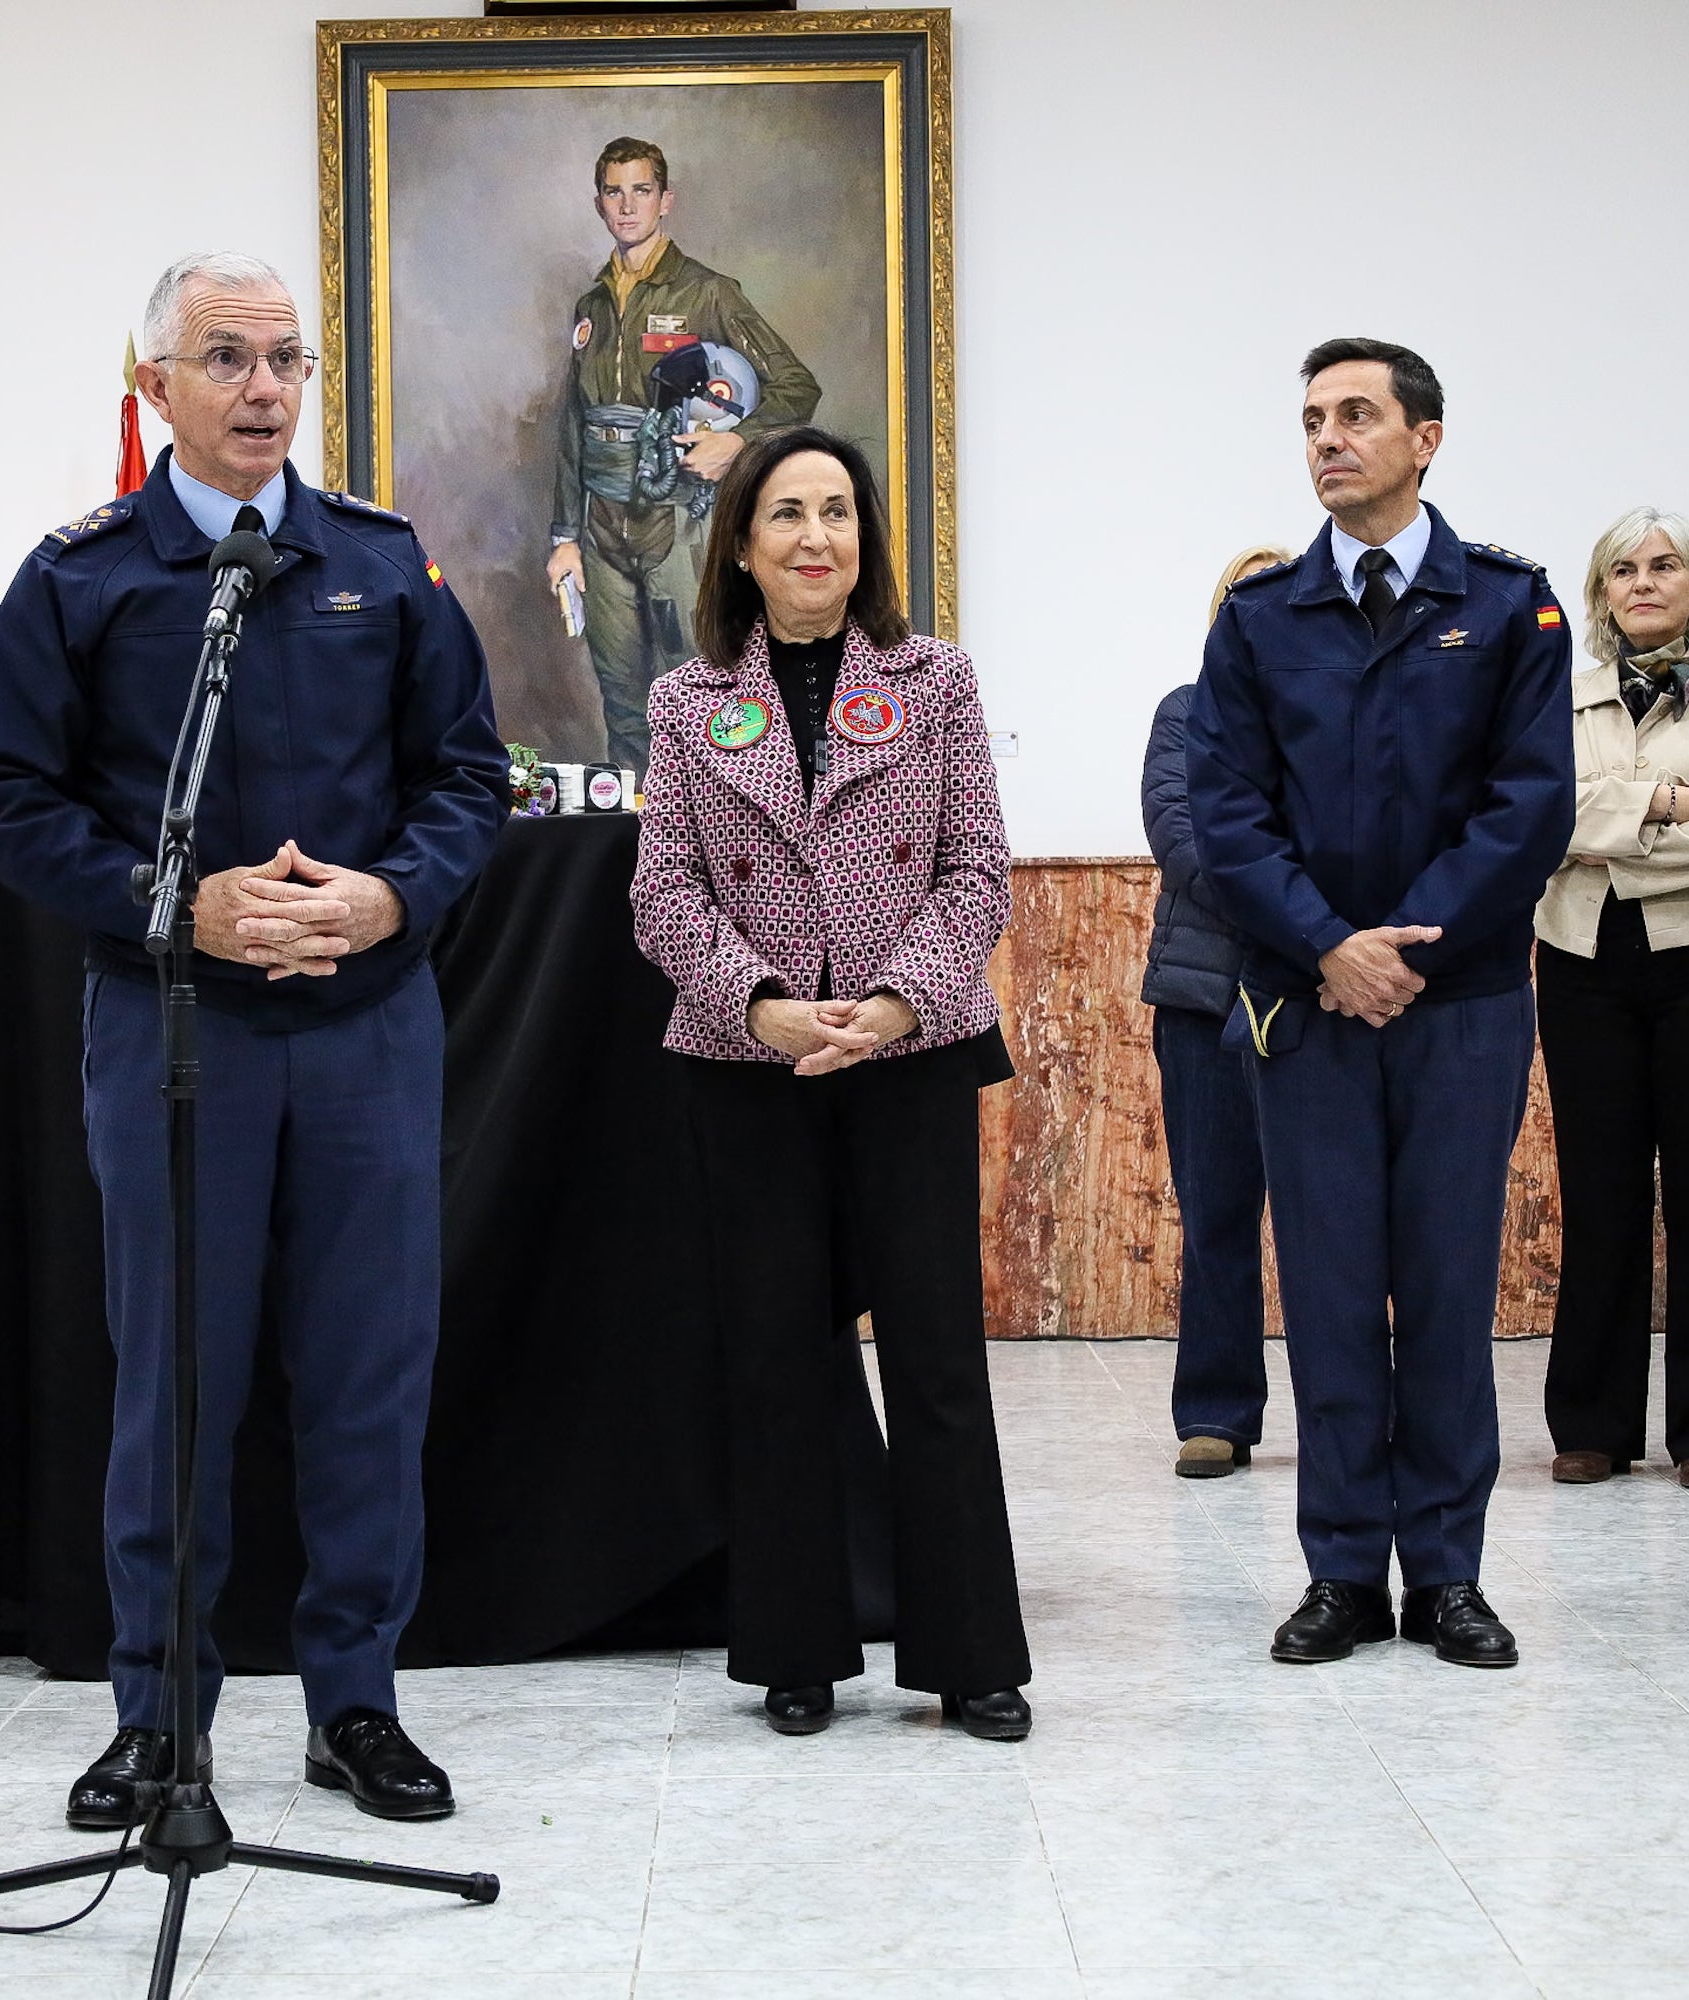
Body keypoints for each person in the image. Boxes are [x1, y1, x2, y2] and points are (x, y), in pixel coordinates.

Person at [0, 253, 512, 1820]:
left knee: (366, 1379)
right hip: (173, 1031)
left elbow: (473, 779)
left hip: (362, 1036)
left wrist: (389, 902)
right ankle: (160, 1718)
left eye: (287, 360)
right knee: (174, 1383)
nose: (266, 388)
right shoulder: (82, 577)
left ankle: (355, 1703)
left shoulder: (384, 565)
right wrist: (166, 906)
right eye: (227, 358)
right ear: (155, 389)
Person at [629, 422, 1032, 1742]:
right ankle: (796, 1648)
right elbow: (662, 895)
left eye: (840, 513)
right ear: (741, 544)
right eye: (788, 514)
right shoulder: (690, 702)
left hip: (909, 1053)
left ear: (867, 541)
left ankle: (972, 1658)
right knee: (779, 1361)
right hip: (754, 1068)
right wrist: (763, 1008)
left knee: (933, 1357)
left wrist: (899, 998)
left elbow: (978, 865)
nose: (817, 537)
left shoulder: (936, 681)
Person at [1188, 339, 1574, 1671]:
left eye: (1357, 416)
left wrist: (1404, 947)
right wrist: (1327, 945)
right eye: (1311, 420)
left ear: (1427, 440)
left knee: (1448, 1290)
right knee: (1338, 1292)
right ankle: (1345, 1572)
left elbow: (1531, 807)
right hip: (1308, 1006)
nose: (1329, 439)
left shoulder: (1511, 608)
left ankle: (1450, 1576)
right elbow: (1226, 814)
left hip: (1459, 1002)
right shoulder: (1260, 619)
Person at [1532, 509, 1689, 1491]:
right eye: (1622, 569)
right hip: (1585, 957)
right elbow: (1539, 812)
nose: (1643, 581)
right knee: (1600, 1194)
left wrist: (1612, 818)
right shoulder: (1561, 700)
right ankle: (1592, 1423)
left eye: (1665, 565)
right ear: (1600, 595)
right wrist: (1674, 801)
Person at [546, 136, 821, 769]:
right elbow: (572, 426)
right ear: (598, 204)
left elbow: (796, 386)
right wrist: (563, 536)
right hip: (602, 533)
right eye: (614, 192)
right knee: (622, 701)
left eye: (641, 190)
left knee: (700, 697)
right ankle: (636, 859)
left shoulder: (708, 292)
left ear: (665, 200)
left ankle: (713, 857)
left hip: (678, 523)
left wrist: (737, 442)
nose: (627, 205)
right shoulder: (591, 306)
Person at [1143, 542, 1298, 1480]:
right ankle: (1216, 1412)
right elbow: (1180, 835)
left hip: (1316, 998)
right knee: (1216, 1212)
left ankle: (1348, 1409)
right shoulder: (1185, 712)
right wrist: (1296, 911)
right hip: (1205, 1000)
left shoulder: (1339, 712)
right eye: (1239, 600)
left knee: (1340, 1220)